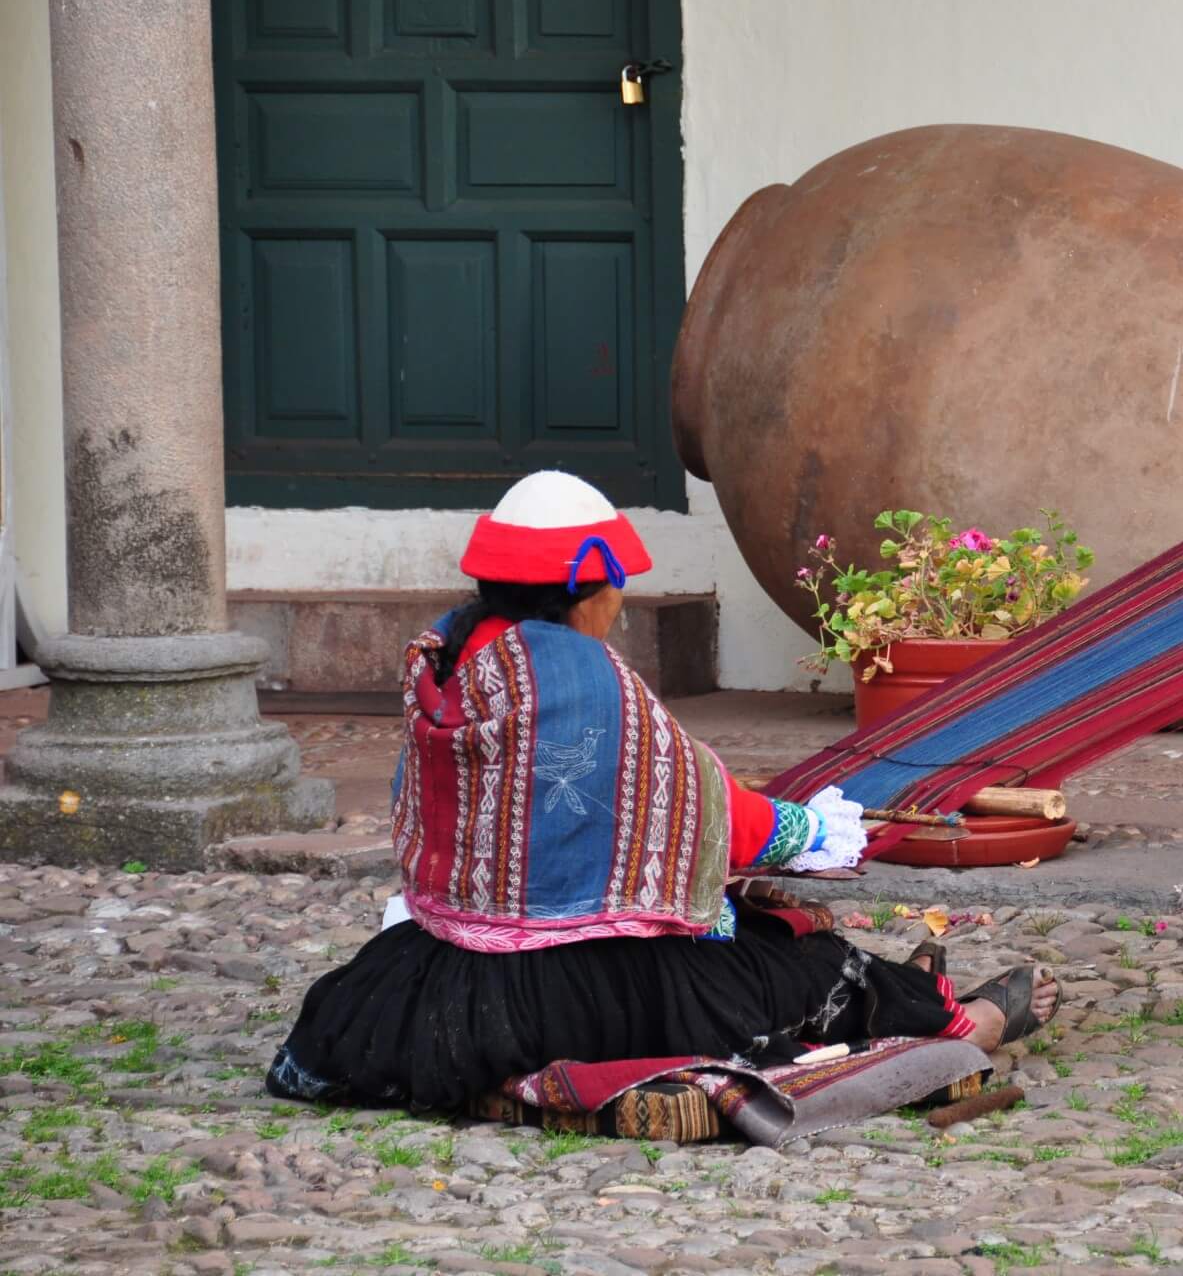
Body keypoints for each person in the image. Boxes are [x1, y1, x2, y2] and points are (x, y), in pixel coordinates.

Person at [267, 471, 1057, 1112]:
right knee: (795, 962)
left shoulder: (452, 654)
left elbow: (636, 791)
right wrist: (810, 831)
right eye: (615, 585)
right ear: (590, 589)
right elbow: (705, 814)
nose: (617, 602)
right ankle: (958, 1026)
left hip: (455, 955)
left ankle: (918, 1002)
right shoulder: (584, 679)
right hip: (567, 984)